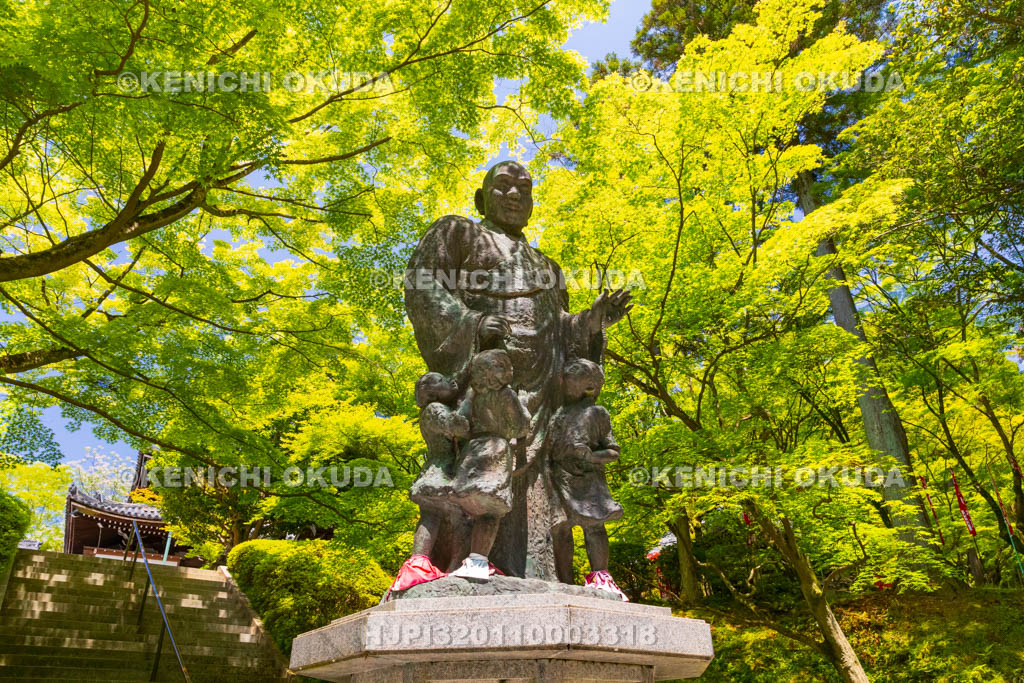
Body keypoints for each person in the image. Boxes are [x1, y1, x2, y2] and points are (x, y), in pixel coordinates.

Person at [547, 358, 627, 600]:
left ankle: (601, 575)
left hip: (589, 479)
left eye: (575, 379)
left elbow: (613, 451)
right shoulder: (555, 413)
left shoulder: (596, 413)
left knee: (594, 525)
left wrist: (591, 456)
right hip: (557, 476)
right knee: (560, 527)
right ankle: (564, 579)